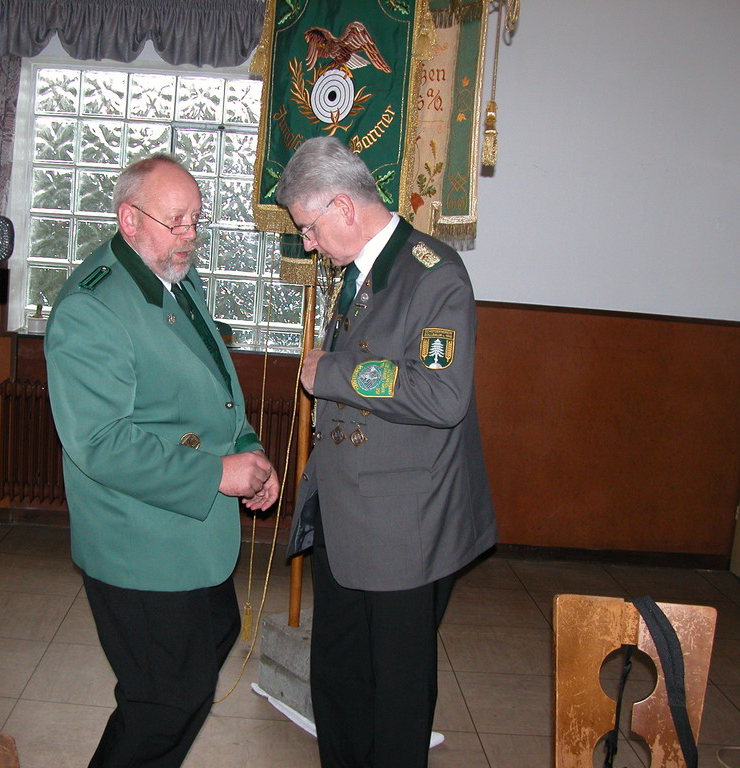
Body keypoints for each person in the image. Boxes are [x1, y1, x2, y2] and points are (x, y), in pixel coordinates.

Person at [45, 154, 279, 768]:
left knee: (209, 644)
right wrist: (217, 473)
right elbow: (101, 443)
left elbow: (215, 382)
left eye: (197, 221)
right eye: (177, 222)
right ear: (130, 219)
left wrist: (246, 445)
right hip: (140, 544)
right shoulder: (92, 308)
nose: (190, 236)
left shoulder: (169, 271)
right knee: (163, 701)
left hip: (190, 535)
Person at [278, 136, 496, 768]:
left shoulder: (435, 274)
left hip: (407, 527)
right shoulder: (361, 273)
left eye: (309, 229)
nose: (309, 244)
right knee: (340, 682)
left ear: (343, 207)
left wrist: (335, 373)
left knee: (396, 700)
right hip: (349, 519)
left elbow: (441, 392)